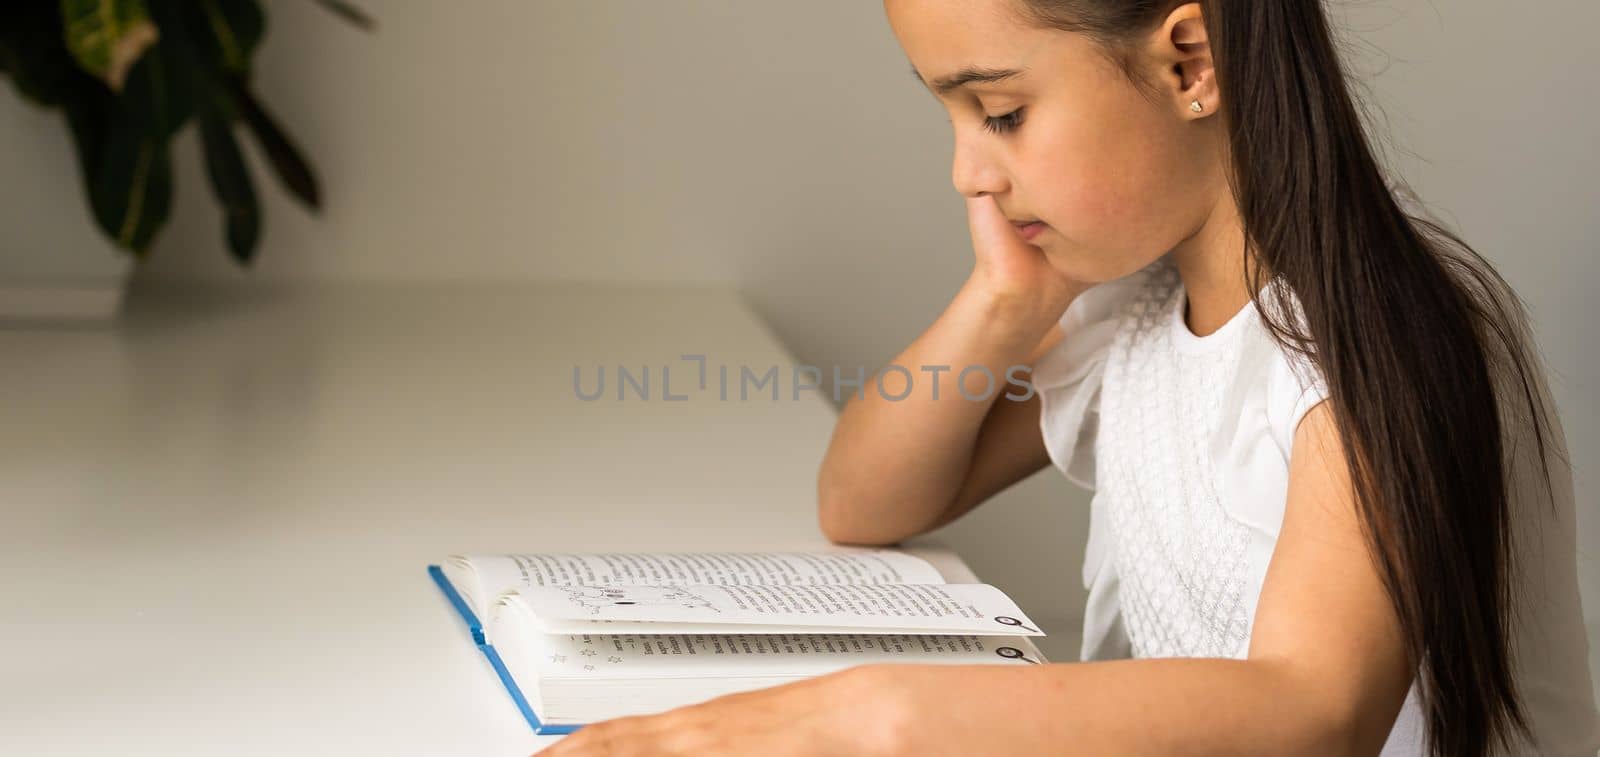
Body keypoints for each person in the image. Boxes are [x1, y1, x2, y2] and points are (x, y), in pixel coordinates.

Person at [536, 1, 1599, 754]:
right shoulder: (1130, 317)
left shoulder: (1377, 342)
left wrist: (876, 721)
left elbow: (1309, 715)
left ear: (1191, 62)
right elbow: (863, 500)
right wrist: (1004, 300)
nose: (969, 172)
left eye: (998, 113)